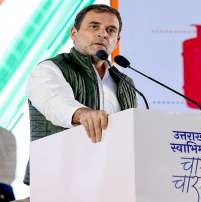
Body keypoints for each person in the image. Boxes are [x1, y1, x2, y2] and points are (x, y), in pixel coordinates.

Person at [23, 4, 137, 186]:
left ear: (117, 40)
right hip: (59, 181)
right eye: (94, 26)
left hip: (113, 181)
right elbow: (54, 102)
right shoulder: (50, 69)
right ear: (74, 34)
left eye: (110, 30)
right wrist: (83, 114)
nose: (103, 34)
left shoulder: (125, 83)